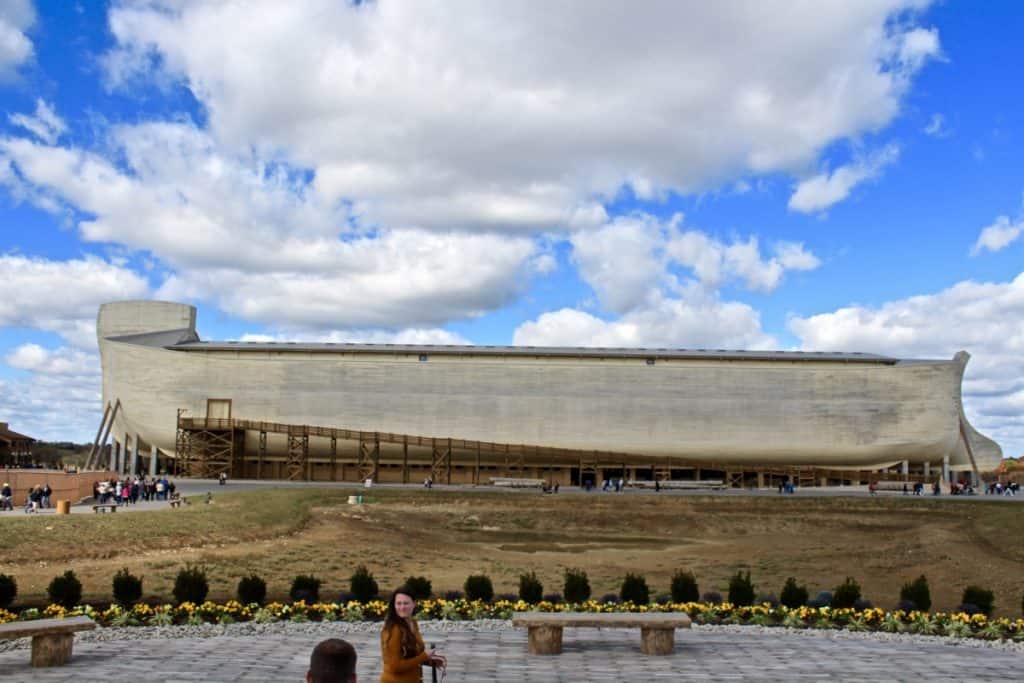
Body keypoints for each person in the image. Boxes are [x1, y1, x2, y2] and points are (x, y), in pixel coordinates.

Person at [380, 587, 446, 683]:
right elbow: (394, 666)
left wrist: (430, 661)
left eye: (406, 603)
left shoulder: (412, 623)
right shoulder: (394, 629)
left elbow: (412, 656)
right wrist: (423, 657)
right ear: (393, 605)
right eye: (398, 603)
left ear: (414, 604)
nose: (402, 607)